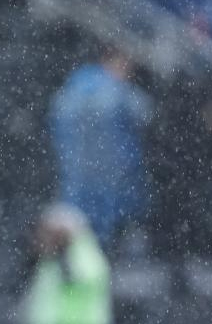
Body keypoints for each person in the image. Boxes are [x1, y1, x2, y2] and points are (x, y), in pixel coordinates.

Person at [50, 42, 151, 246]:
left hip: (76, 180)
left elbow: (55, 127)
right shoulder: (118, 93)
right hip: (112, 181)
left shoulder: (69, 90)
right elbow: (146, 113)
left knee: (79, 239)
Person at [23, 203, 112, 324]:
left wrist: (63, 257)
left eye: (49, 232)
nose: (42, 237)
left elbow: (79, 280)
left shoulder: (84, 254)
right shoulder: (49, 258)